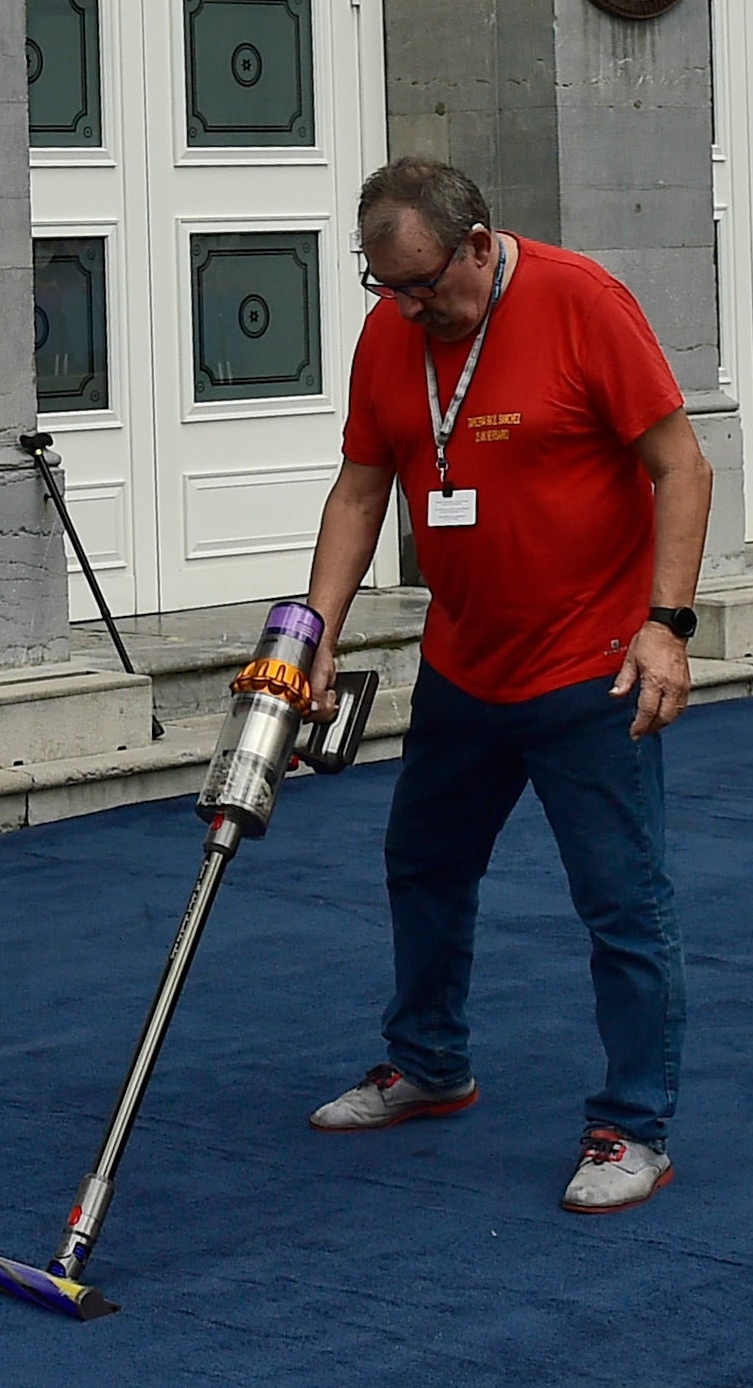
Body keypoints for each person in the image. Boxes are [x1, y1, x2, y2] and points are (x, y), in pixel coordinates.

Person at [295, 156, 712, 1214]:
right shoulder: (391, 333)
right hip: (463, 666)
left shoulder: (582, 302)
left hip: (588, 670)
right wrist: (314, 631)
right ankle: (429, 1062)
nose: (406, 306)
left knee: (621, 900)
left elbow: (682, 465)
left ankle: (634, 1125)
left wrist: (665, 626)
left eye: (425, 283)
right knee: (421, 863)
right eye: (384, 285)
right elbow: (361, 485)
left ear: (478, 242)